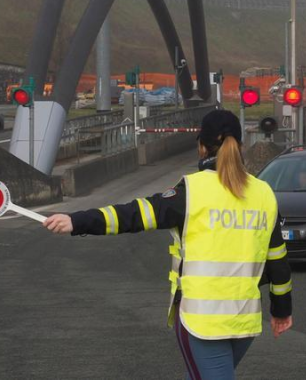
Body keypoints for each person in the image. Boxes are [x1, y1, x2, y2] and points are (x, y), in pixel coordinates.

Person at [43, 110, 293, 379]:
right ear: (241, 146)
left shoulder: (191, 192)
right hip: (243, 322)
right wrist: (281, 310)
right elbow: (278, 261)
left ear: (201, 146)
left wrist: (77, 221)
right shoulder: (263, 193)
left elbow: (133, 215)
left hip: (200, 322)